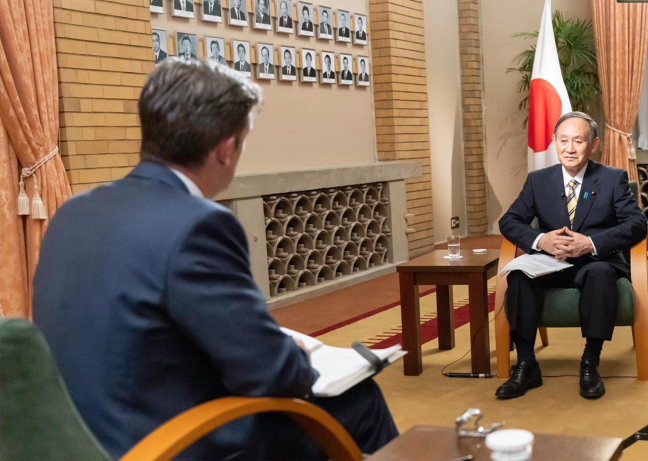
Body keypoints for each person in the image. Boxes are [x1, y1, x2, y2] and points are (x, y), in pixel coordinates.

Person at [33, 58, 398, 461]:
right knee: (361, 399)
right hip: (169, 445)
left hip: (74, 440)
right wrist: (296, 354)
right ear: (226, 150)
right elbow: (273, 375)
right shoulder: (198, 225)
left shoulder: (72, 211)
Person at [496, 111, 647, 401]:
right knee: (518, 275)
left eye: (578, 141)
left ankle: (590, 362)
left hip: (594, 262)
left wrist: (590, 243)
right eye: (563, 140)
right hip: (549, 262)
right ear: (554, 142)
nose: (570, 148)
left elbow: (637, 224)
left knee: (601, 274)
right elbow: (510, 221)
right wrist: (541, 239)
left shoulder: (613, 178)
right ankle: (526, 364)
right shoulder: (538, 181)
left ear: (594, 144)